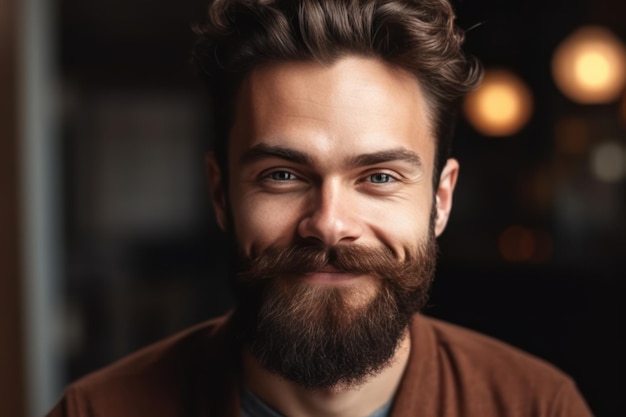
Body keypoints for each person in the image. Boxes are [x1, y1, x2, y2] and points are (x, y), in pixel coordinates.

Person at [46, 0, 594, 416]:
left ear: (440, 199)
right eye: (282, 175)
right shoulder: (97, 409)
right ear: (220, 194)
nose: (329, 223)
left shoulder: (537, 404)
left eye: (379, 177)